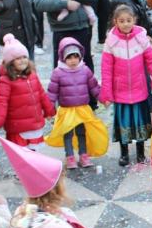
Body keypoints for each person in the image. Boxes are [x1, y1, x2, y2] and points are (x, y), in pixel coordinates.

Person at [100, 5, 152, 166]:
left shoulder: (141, 38)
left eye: (128, 20)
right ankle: (124, 153)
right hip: (120, 92)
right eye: (122, 21)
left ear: (134, 20)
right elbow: (106, 69)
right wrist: (106, 93)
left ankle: (141, 152)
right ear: (115, 22)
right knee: (124, 124)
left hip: (139, 89)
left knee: (140, 123)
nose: (126, 24)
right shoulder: (111, 42)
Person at [45, 37, 109, 167]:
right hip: (66, 109)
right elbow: (52, 93)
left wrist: (103, 99)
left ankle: (83, 155)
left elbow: (94, 87)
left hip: (82, 109)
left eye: (76, 57)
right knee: (67, 133)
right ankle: (70, 157)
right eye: (69, 57)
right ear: (63, 58)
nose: (73, 60)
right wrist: (48, 110)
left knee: (81, 132)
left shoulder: (85, 70)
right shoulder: (57, 73)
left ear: (80, 57)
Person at [0, 34, 54, 149]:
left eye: (24, 57)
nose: (22, 61)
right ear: (10, 62)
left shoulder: (32, 75)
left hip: (35, 124)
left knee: (35, 156)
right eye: (17, 58)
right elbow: (1, 103)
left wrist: (49, 110)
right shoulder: (5, 81)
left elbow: (41, 94)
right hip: (18, 128)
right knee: (23, 158)